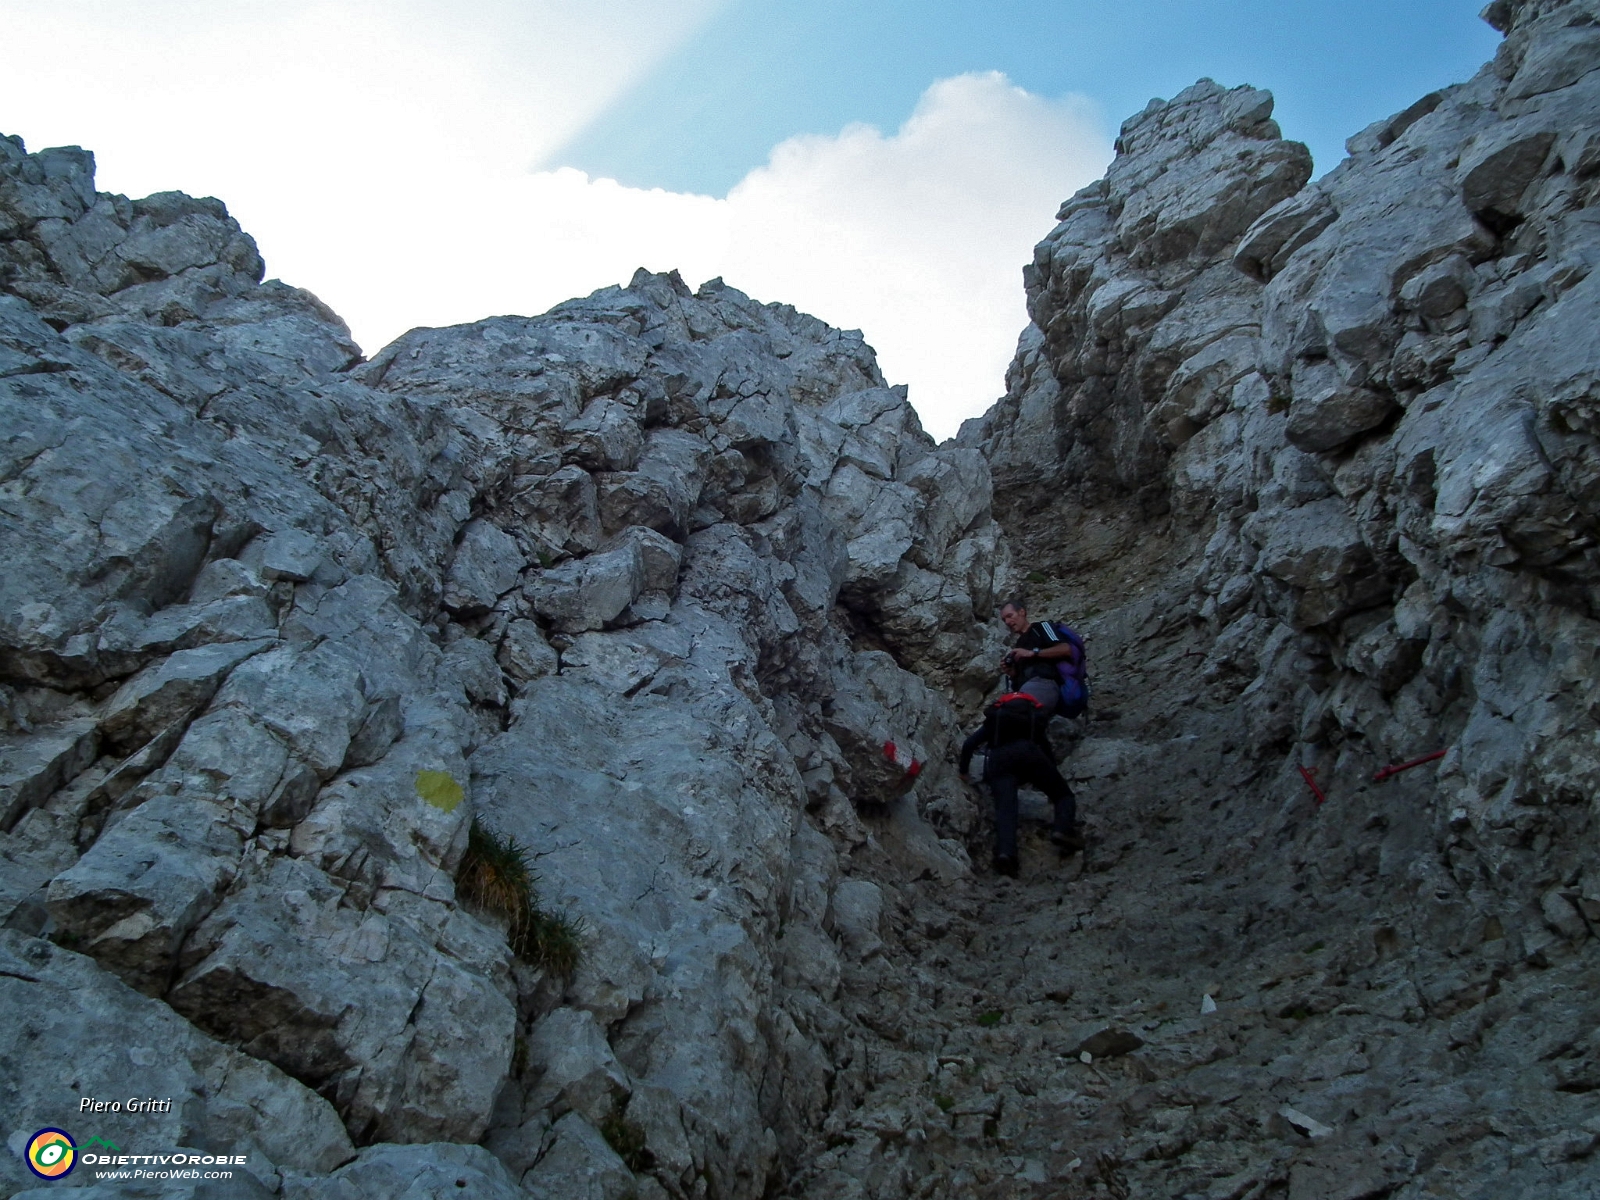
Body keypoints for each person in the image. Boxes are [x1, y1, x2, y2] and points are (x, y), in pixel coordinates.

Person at [957, 690, 1083, 877]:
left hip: (1000, 760)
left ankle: (1006, 854)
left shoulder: (997, 718)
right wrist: (1052, 776)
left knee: (1005, 809)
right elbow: (1046, 749)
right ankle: (1062, 829)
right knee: (1063, 795)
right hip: (1030, 755)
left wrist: (963, 771)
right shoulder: (1032, 718)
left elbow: (969, 744)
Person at [998, 599, 1084, 715]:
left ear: (1022, 612)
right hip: (1027, 687)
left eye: (1010, 616)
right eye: (1004, 620)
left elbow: (1067, 649)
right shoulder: (1019, 644)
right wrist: (1013, 673)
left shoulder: (1042, 627)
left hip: (1046, 683)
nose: (1007, 621)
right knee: (998, 716)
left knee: (1017, 711)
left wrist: (1033, 652)